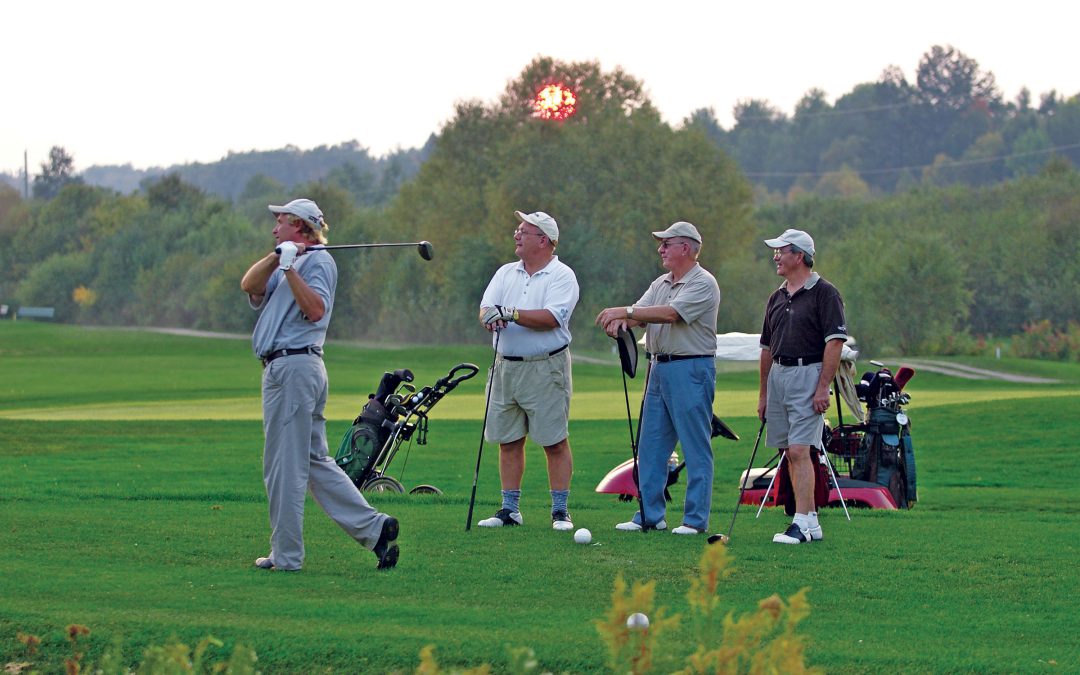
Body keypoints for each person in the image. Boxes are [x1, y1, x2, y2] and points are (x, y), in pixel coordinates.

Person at [240, 198, 399, 571]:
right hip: (287, 369)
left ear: (299, 225)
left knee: (283, 466)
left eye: (280, 222)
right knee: (314, 463)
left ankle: (287, 556)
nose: (274, 227)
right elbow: (248, 284)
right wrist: (278, 257)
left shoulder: (320, 262)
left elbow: (315, 309)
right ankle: (375, 530)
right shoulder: (284, 259)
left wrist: (292, 267)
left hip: (295, 368)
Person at [596, 221, 720, 535]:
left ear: (687, 249)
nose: (660, 249)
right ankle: (650, 516)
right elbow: (640, 314)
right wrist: (621, 321)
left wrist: (622, 310)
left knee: (695, 447)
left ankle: (694, 520)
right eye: (661, 243)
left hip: (691, 369)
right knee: (650, 446)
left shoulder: (704, 283)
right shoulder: (661, 282)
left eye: (667, 243)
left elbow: (670, 314)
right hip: (658, 368)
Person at [476, 210, 581, 531]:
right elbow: (485, 309)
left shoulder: (562, 275)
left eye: (524, 231)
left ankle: (560, 511)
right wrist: (491, 317)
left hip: (546, 367)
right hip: (504, 366)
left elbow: (552, 318)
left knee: (554, 441)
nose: (516, 236)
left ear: (544, 240)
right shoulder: (506, 272)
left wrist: (510, 313)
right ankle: (509, 509)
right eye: (517, 230)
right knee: (508, 440)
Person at [758, 228, 848, 544]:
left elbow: (834, 342)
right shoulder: (776, 297)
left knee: (800, 449)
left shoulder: (826, 293)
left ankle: (801, 523)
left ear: (799, 255)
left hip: (808, 374)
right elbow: (767, 348)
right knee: (788, 450)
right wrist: (764, 394)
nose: (776, 257)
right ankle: (810, 521)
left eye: (781, 251)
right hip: (779, 376)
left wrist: (823, 386)